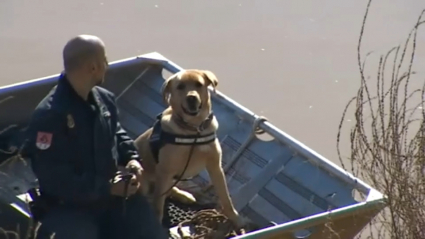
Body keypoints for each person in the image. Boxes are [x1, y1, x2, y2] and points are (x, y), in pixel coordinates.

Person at [20, 35, 169, 239]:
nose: (107, 65)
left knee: (151, 232)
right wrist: (107, 188)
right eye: (104, 60)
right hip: (70, 207)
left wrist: (132, 158)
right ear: (93, 67)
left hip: (112, 197)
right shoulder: (50, 116)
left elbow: (116, 133)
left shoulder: (104, 100)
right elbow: (54, 179)